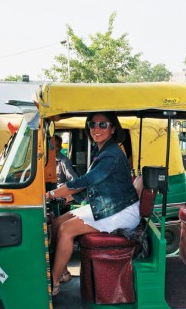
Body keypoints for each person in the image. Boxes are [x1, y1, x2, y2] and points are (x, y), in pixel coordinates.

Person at [46, 112, 140, 296]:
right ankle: (63, 272)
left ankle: (54, 283)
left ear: (113, 129)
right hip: (110, 204)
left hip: (121, 210)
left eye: (103, 125)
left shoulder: (111, 153)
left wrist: (50, 195)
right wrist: (68, 198)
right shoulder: (102, 149)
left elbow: (86, 181)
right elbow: (97, 186)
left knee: (66, 230)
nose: (96, 129)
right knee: (57, 222)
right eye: (92, 124)